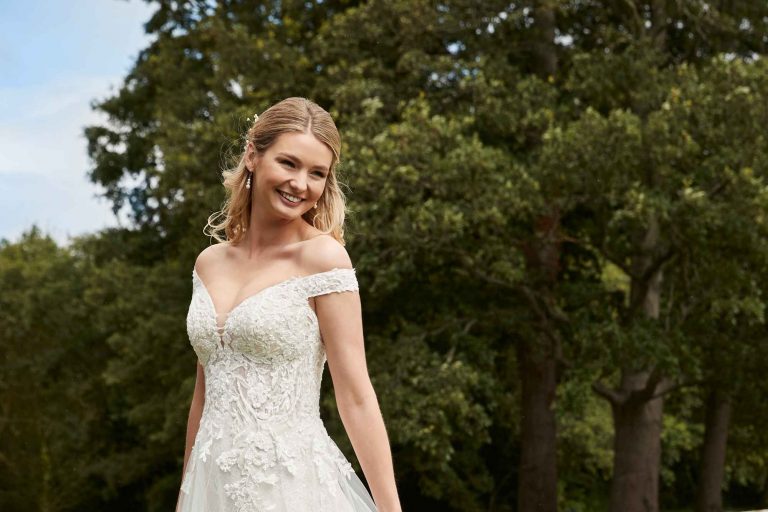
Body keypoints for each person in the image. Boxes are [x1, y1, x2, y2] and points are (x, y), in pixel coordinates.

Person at [176, 97, 401, 511]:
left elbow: (356, 396)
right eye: (289, 163)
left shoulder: (323, 259)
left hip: (291, 488)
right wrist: (186, 498)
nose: (301, 184)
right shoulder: (208, 264)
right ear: (252, 156)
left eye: (317, 173)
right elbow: (203, 397)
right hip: (213, 493)